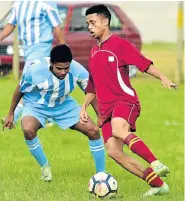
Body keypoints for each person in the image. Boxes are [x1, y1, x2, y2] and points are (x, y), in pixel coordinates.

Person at [80, 4, 178, 197]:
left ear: (105, 21)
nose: (89, 27)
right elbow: (92, 85)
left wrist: (163, 77)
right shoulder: (93, 52)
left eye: (92, 22)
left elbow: (143, 63)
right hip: (105, 110)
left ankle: (156, 163)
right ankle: (159, 185)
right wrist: (83, 107)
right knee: (114, 152)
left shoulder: (120, 45)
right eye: (87, 24)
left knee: (118, 129)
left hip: (125, 101)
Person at [3, 44, 105, 181]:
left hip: (63, 105)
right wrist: (11, 113)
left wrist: (99, 115)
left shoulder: (78, 70)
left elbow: (90, 91)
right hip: (36, 105)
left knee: (93, 130)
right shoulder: (35, 70)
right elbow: (20, 90)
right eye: (59, 68)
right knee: (28, 129)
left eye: (66, 68)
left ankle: (101, 175)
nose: (63, 72)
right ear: (51, 63)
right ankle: (45, 167)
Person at [0, 1, 65, 124]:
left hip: (42, 48)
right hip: (27, 49)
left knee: (27, 82)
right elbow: (10, 24)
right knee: (40, 84)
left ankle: (13, 116)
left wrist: (63, 46)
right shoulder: (18, 4)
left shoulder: (47, 3)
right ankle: (50, 116)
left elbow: (56, 26)